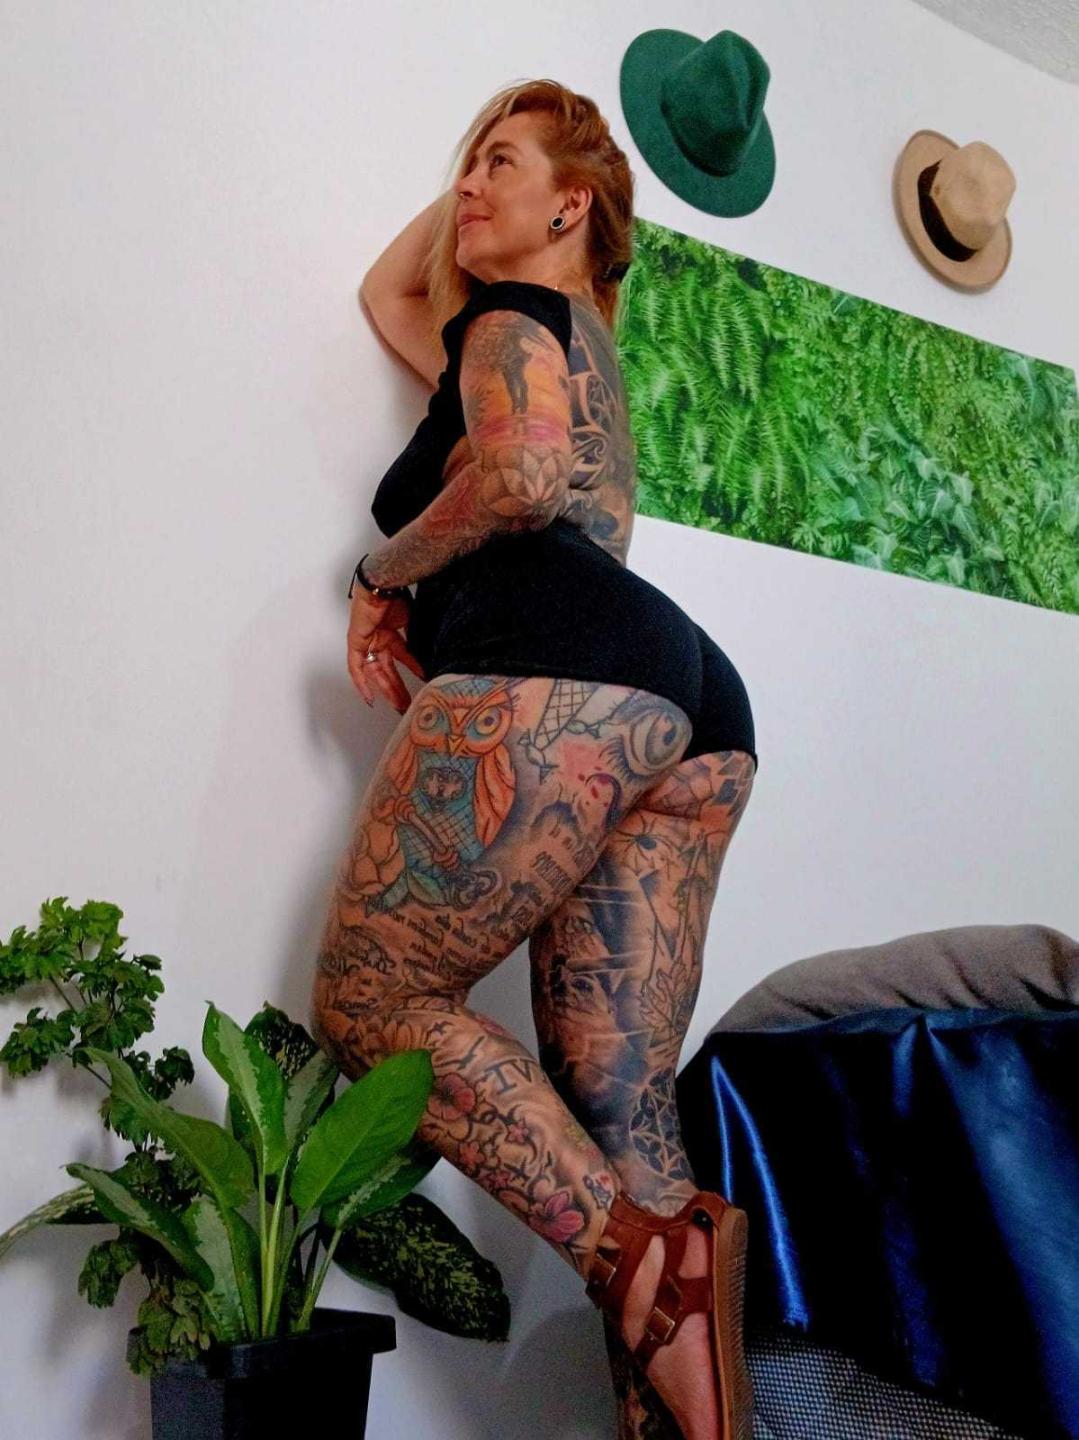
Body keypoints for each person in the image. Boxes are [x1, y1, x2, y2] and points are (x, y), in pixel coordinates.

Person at [310, 78, 759, 1440]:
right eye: (463, 165)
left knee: (373, 997)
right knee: (624, 1110)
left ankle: (641, 1259)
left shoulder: (513, 320)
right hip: (689, 703)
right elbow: (392, 291)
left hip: (560, 661)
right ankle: (680, 1324)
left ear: (570, 208)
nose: (464, 186)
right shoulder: (575, 344)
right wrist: (511, 168)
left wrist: (381, 575)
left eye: (495, 164)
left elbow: (515, 484)